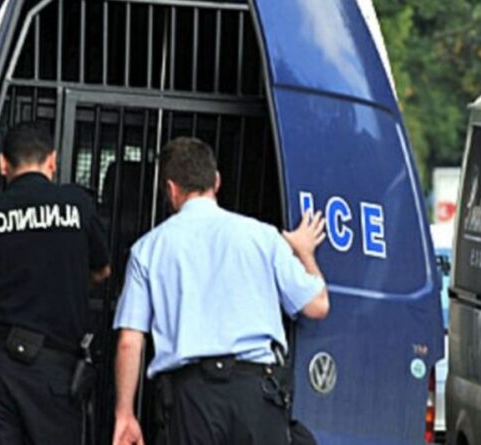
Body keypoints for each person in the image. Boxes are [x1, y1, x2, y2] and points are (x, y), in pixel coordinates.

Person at [111, 137, 330, 445]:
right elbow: (317, 305)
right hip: (258, 395)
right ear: (216, 181)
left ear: (171, 189)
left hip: (190, 402)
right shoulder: (263, 236)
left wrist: (124, 413)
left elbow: (129, 342)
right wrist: (304, 252)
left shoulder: (148, 249)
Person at [0, 123, 111, 444]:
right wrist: (70, 282)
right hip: (55, 367)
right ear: (53, 161)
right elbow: (103, 270)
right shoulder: (77, 206)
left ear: (3, 164)